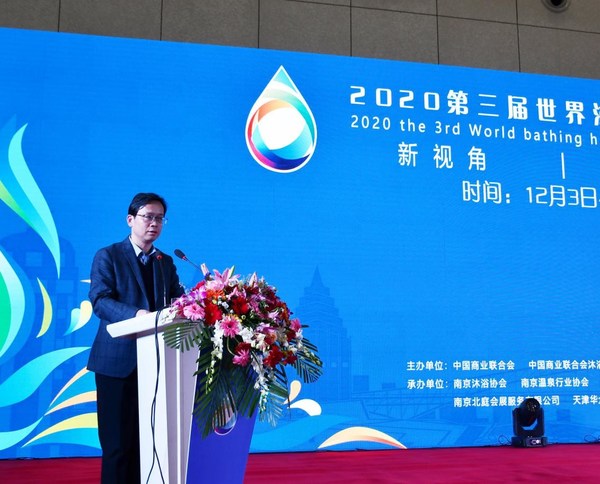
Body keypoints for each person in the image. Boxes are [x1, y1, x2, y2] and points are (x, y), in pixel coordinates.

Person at [87, 192, 185, 484]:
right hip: (117, 365)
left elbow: (178, 302)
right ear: (130, 220)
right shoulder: (109, 255)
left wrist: (201, 303)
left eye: (160, 218)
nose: (154, 223)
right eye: (148, 217)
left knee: (148, 446)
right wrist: (137, 315)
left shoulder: (164, 262)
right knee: (118, 446)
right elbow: (100, 301)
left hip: (156, 365)